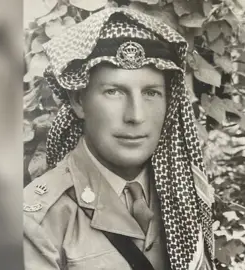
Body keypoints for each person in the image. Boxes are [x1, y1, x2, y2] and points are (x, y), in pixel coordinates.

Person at [23, 7, 216, 270]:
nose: (136, 116)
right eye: (114, 92)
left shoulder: (184, 196)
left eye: (151, 93)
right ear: (79, 101)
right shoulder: (38, 221)